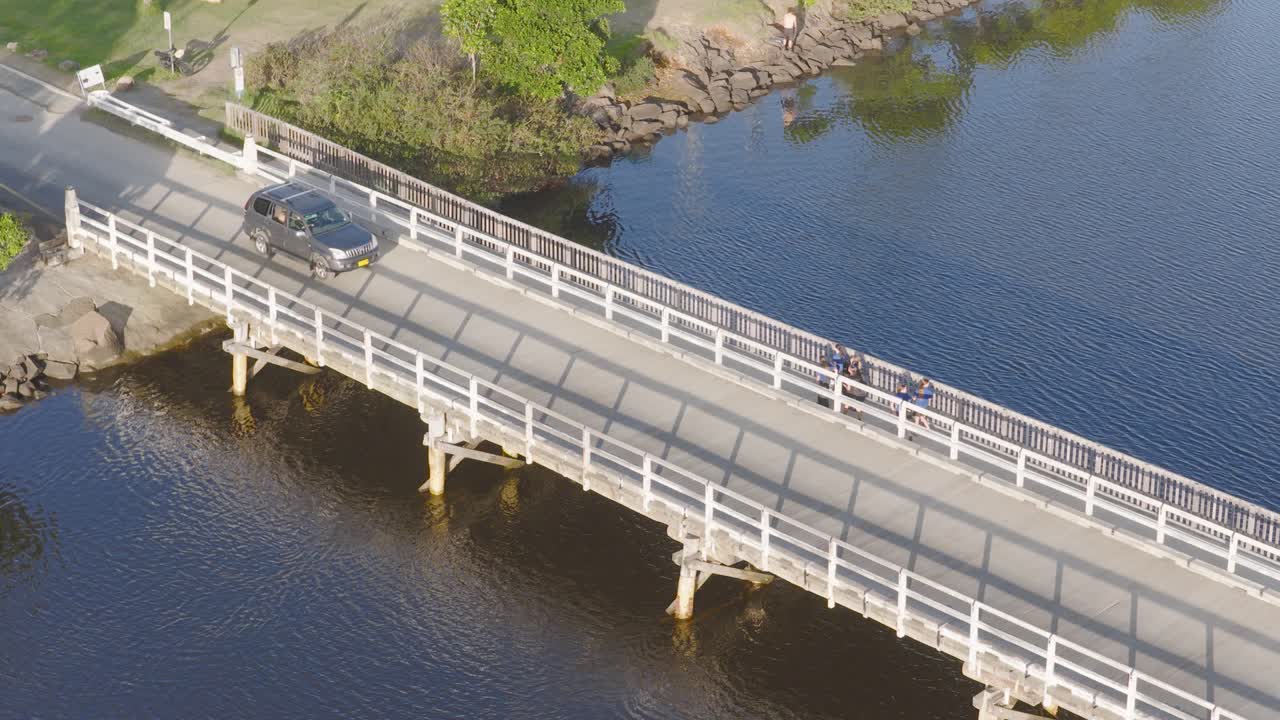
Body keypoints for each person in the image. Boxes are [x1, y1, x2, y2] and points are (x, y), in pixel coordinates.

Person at [817, 342, 850, 408]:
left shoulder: (837, 357)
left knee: (825, 390)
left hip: (833, 373)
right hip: (836, 372)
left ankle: (821, 403)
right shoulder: (843, 357)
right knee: (832, 386)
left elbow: (818, 378)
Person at [841, 355, 868, 420]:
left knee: (846, 405)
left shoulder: (849, 378)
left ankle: (844, 416)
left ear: (849, 370)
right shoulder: (859, 376)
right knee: (858, 408)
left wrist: (843, 384)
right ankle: (859, 419)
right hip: (861, 395)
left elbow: (849, 389)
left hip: (853, 395)